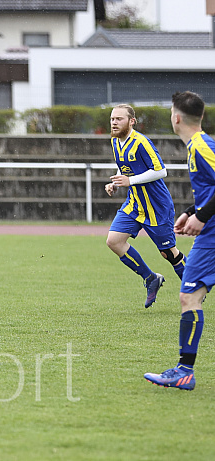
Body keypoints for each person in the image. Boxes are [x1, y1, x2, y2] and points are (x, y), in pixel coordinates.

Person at [144, 91, 214, 390]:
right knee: (191, 296)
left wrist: (202, 217)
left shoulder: (201, 146)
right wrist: (191, 212)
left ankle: (184, 371)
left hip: (212, 235)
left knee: (190, 297)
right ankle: (184, 370)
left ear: (176, 117)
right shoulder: (198, 146)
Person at [104, 103, 186, 308]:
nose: (114, 123)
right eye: (112, 119)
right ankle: (151, 279)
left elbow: (160, 171)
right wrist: (115, 183)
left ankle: (193, 286)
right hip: (134, 203)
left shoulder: (141, 142)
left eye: (119, 119)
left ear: (131, 121)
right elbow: (124, 167)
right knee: (114, 241)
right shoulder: (115, 142)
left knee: (168, 253)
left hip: (156, 206)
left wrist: (130, 181)